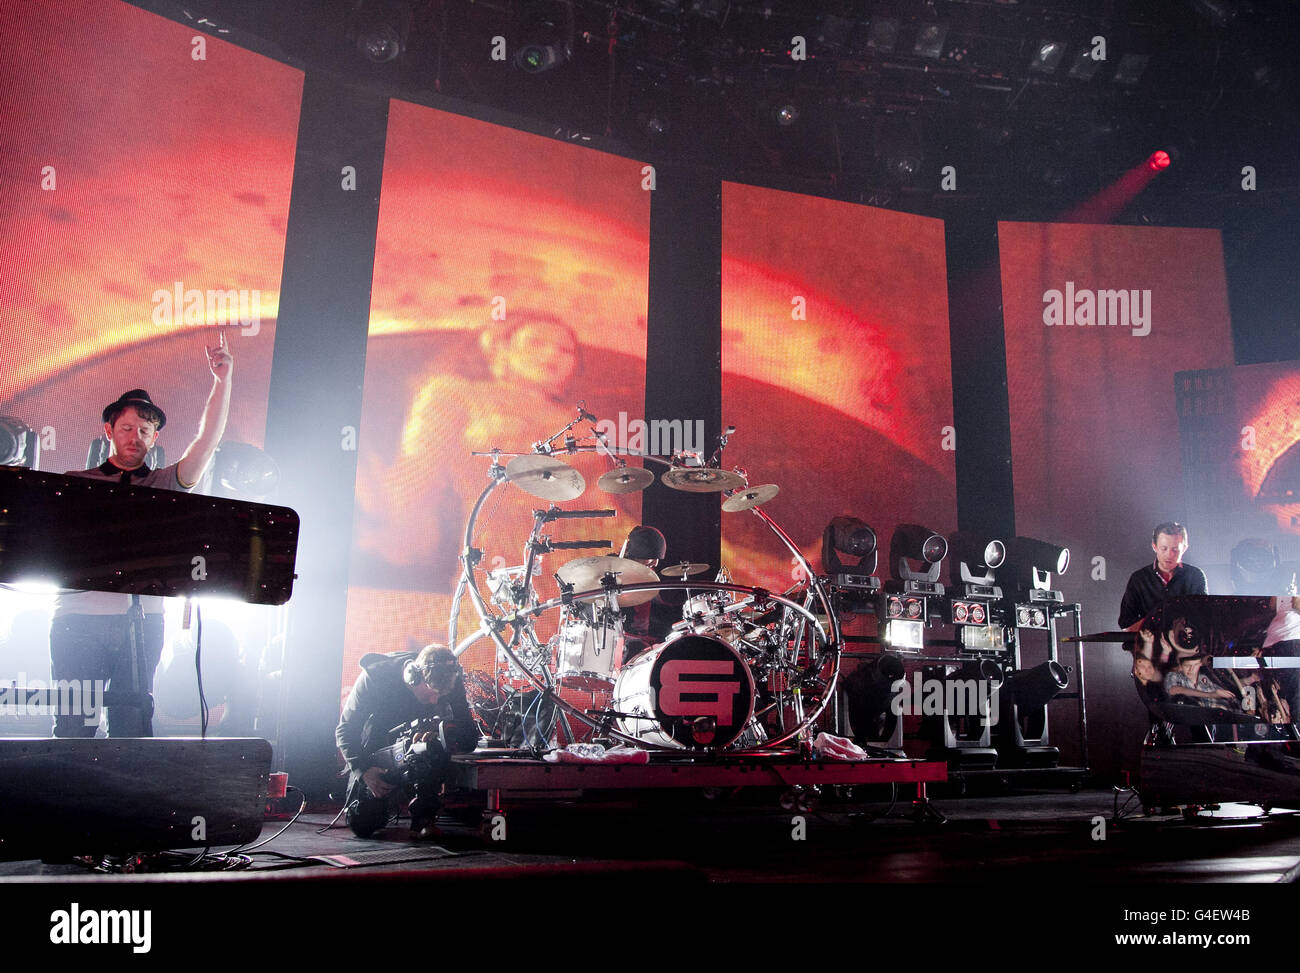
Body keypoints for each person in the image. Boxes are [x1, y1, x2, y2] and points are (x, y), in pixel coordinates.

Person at [49, 333, 234, 737]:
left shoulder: (166, 483)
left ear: (155, 438)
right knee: (73, 726)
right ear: (110, 430)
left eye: (145, 430)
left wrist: (222, 381)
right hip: (78, 620)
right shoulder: (76, 482)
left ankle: (122, 803)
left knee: (132, 730)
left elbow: (207, 443)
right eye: (128, 427)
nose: (136, 437)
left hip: (143, 622)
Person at [336, 644, 478, 838]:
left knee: (436, 749)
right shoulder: (376, 677)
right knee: (364, 823)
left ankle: (424, 816)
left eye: (441, 696)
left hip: (420, 753)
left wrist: (440, 733)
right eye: (431, 694)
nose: (436, 701)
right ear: (413, 678)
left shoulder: (449, 679)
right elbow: (345, 729)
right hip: (376, 753)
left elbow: (469, 735)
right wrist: (362, 770)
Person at [1118, 522, 1208, 632]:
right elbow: (1125, 623)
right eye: (1164, 549)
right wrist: (1158, 620)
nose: (1169, 555)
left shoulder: (1195, 576)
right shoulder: (1139, 579)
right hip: (1149, 647)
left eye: (1175, 549)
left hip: (1186, 647)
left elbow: (1203, 617)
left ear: (1184, 548)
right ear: (1154, 547)